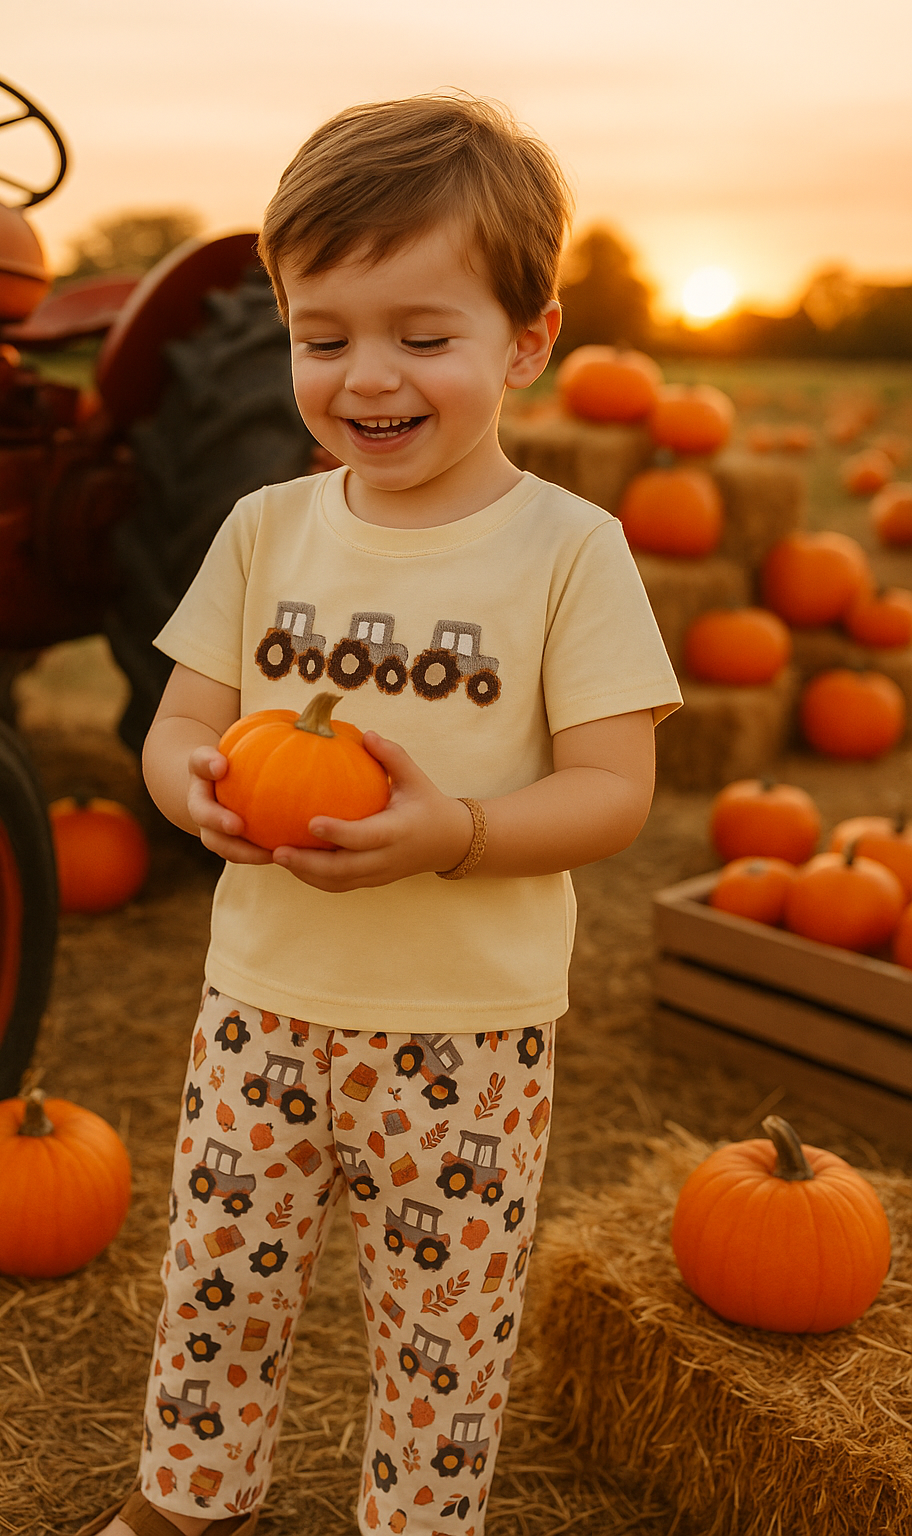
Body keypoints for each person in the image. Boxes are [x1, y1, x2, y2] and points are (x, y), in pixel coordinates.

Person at [97, 93, 681, 1536]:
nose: (369, 378)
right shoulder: (262, 530)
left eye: (425, 338)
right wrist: (195, 795)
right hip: (263, 1004)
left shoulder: (570, 553)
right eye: (324, 335)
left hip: (465, 1033)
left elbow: (616, 789)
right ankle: (188, 1507)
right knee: (219, 1285)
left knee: (441, 1339)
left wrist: (456, 838)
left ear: (528, 341)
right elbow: (178, 727)